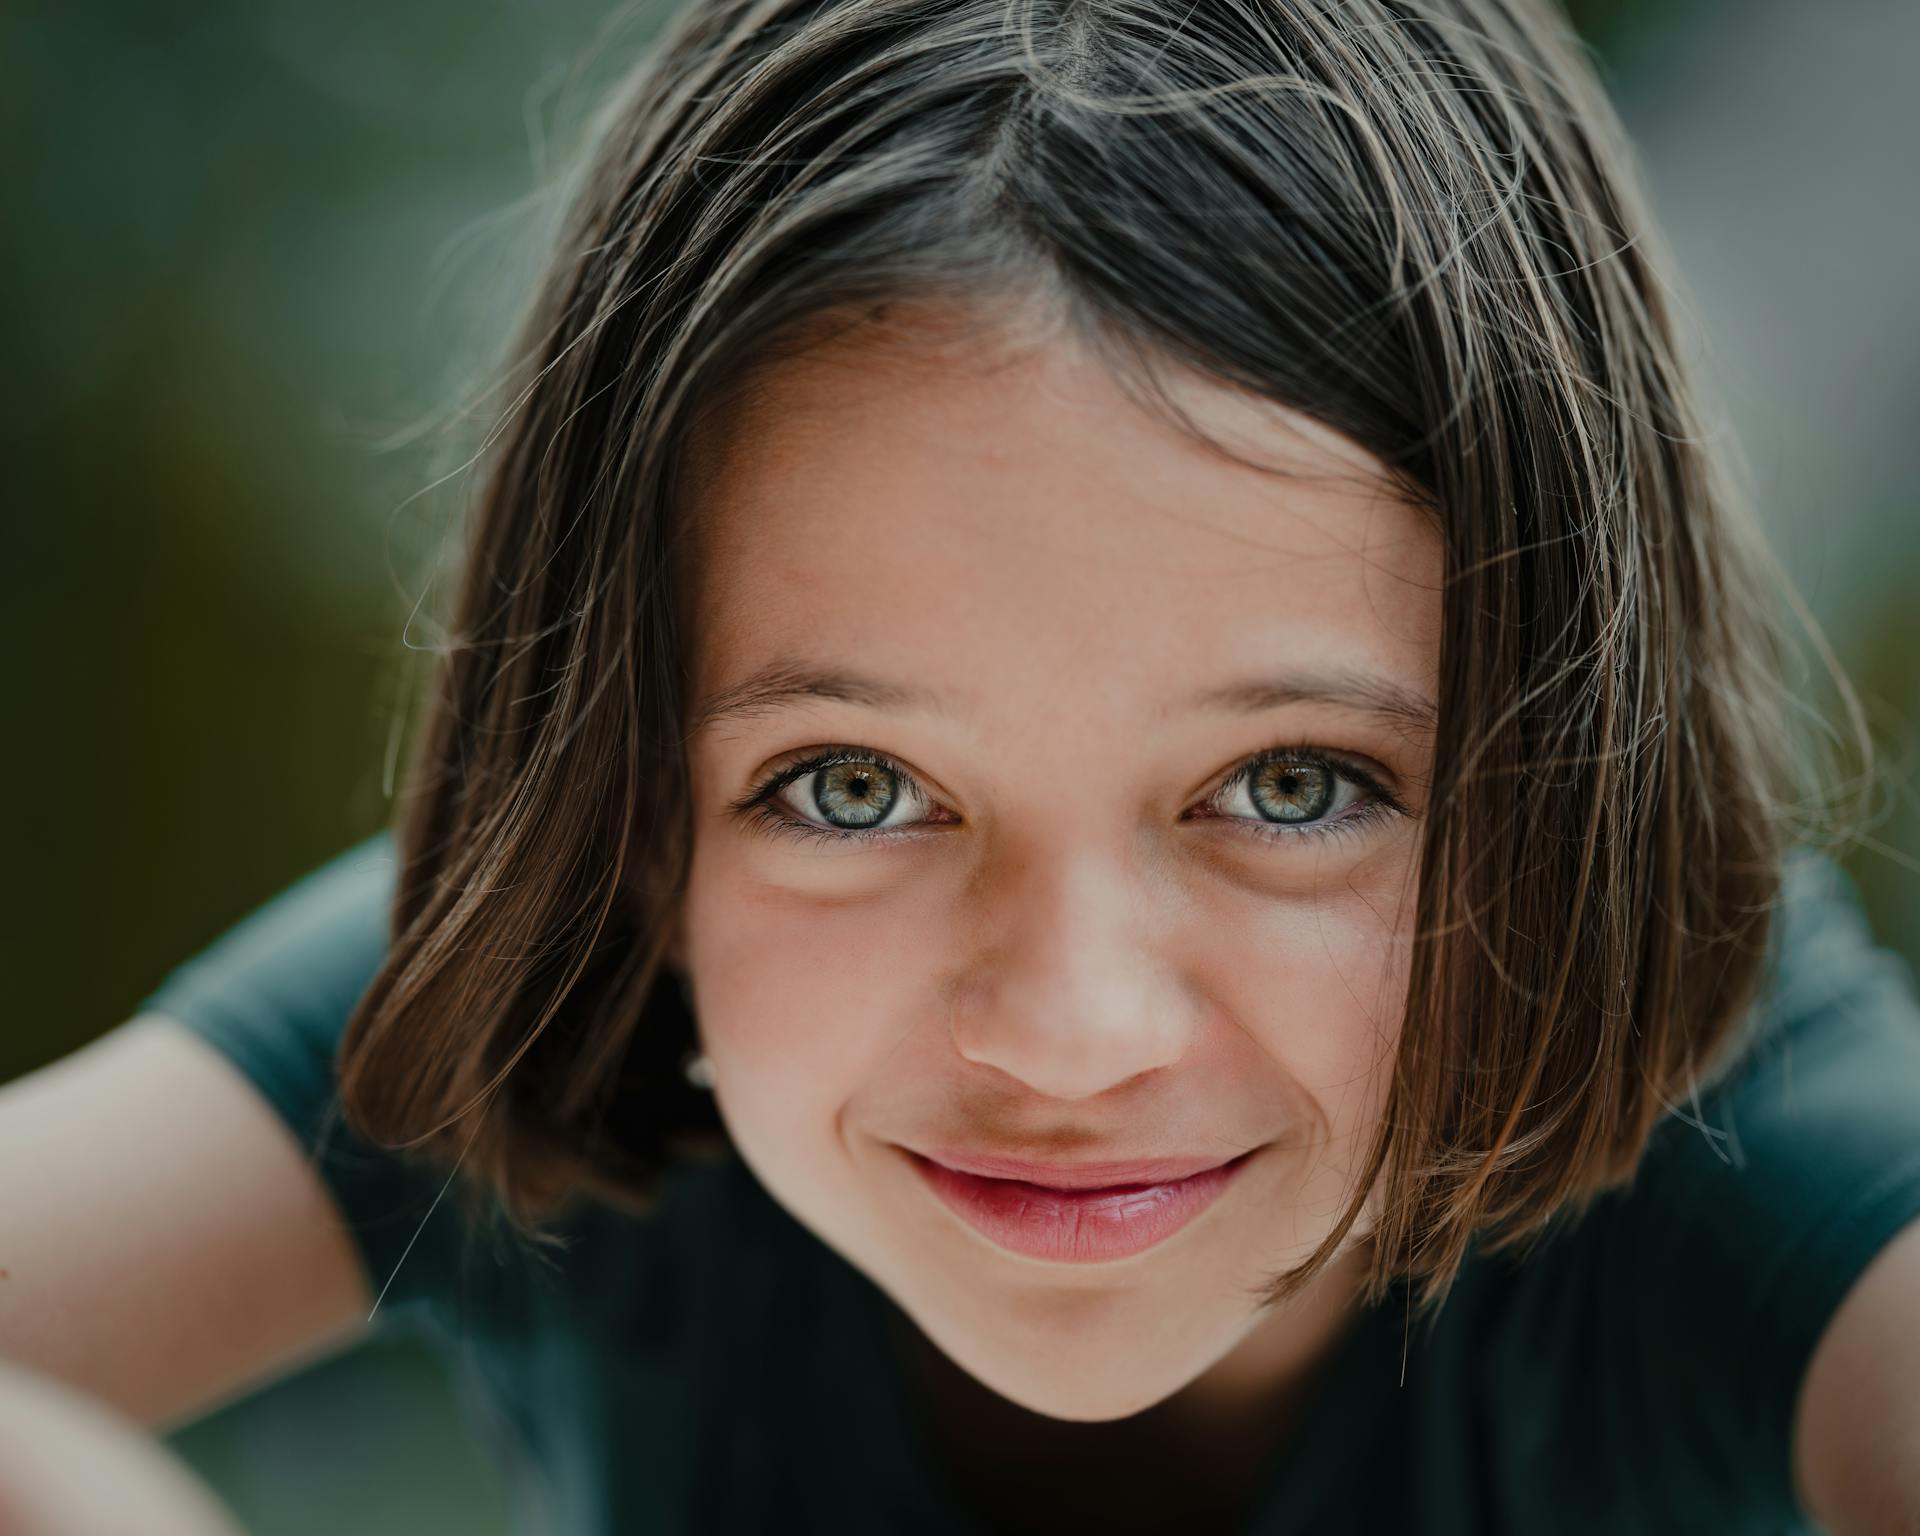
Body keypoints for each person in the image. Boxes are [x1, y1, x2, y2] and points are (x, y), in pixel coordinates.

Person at [4, 0, 1918, 1531]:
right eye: (851, 787)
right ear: (627, 811)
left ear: (1569, 782)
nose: (1073, 1036)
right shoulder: (551, 992)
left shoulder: (1758, 1147)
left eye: (1292, 785)